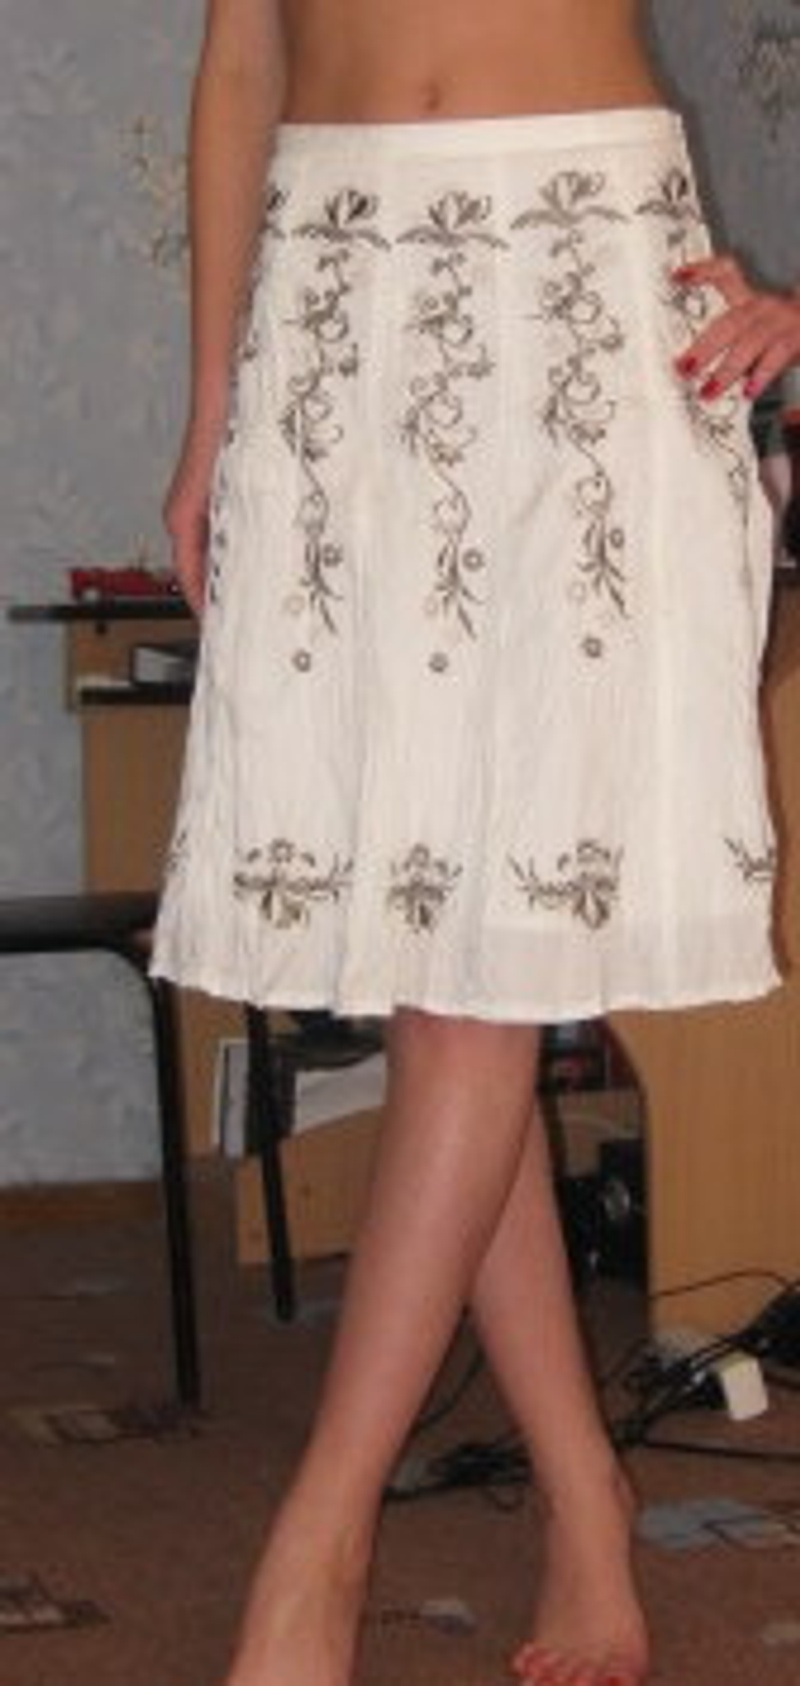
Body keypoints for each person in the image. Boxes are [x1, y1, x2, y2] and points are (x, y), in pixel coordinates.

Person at [152, 3, 800, 1681]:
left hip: (581, 266)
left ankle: (319, 1543)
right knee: (439, 962)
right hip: (333, 282)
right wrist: (212, 408)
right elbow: (242, 58)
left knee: (465, 999)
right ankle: (587, 1501)